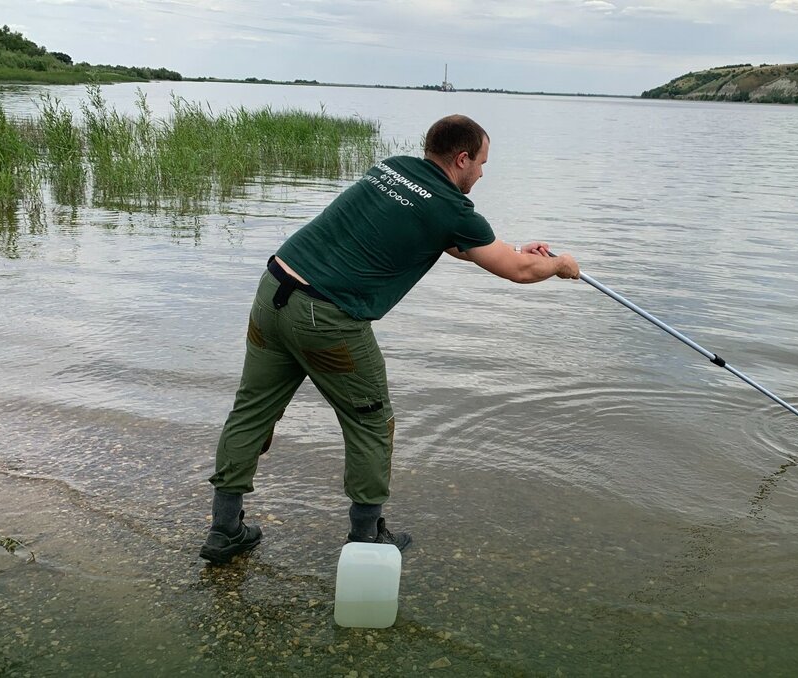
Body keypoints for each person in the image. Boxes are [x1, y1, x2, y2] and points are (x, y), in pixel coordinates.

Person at [200, 114, 580, 565]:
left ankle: (224, 530)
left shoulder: (393, 167)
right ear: (462, 159)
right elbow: (516, 272)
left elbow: (449, 239)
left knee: (252, 409)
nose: (482, 173)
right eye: (481, 163)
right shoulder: (451, 207)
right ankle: (366, 538)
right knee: (372, 422)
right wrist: (559, 265)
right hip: (326, 317)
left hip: (274, 291)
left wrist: (514, 249)